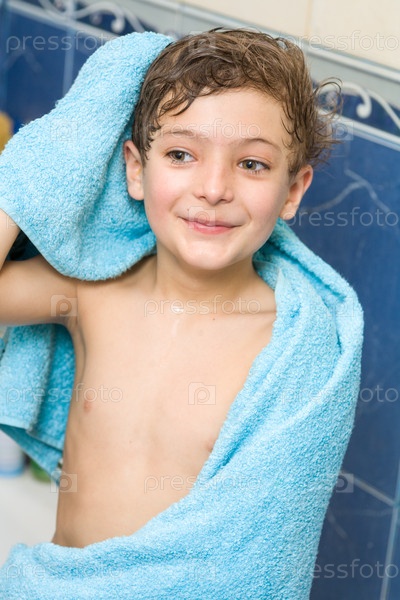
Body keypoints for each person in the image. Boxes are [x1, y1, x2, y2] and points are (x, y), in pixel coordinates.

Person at [0, 28, 340, 555]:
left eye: (252, 164)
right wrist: (45, 163)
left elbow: (261, 553)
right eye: (182, 154)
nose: (213, 189)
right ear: (136, 170)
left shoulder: (288, 350)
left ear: (292, 191)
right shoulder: (90, 295)